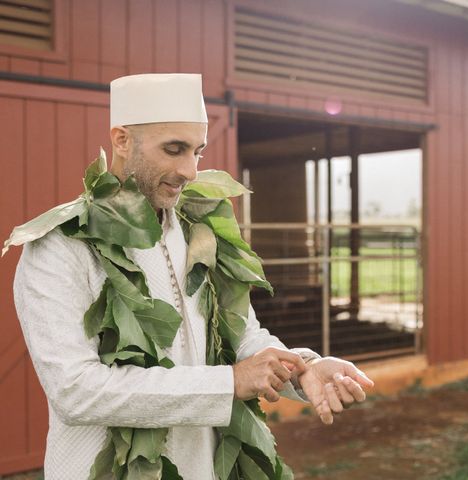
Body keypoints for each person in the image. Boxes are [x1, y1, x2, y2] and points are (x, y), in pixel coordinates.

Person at [11, 73, 373, 480]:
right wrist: (229, 383)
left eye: (197, 151)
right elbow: (74, 390)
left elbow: (243, 336)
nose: (190, 171)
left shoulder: (198, 231)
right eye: (174, 149)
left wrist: (305, 368)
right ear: (122, 140)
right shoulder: (61, 246)